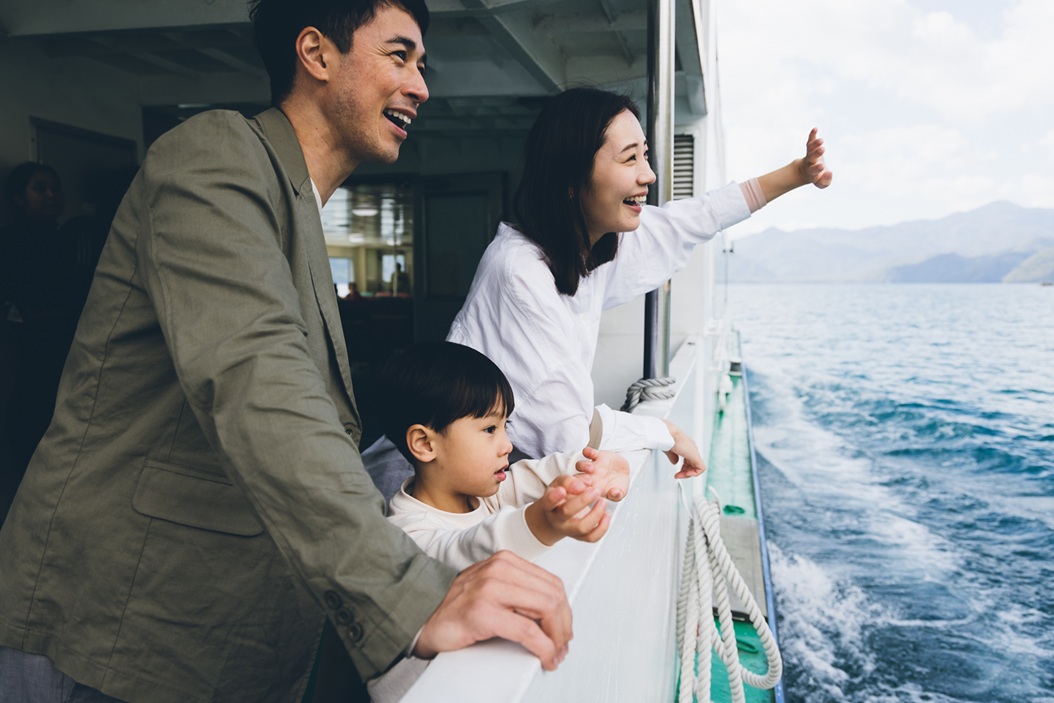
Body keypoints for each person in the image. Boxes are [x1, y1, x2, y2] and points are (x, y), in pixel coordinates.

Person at [0, 2, 573, 702]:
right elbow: (258, 380)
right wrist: (410, 594)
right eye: (399, 56)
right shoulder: (212, 156)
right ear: (315, 53)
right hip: (114, 624)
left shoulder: (295, 205)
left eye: (423, 65)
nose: (422, 85)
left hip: (204, 628)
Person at [446, 86, 833, 462]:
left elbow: (693, 220)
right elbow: (567, 433)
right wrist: (664, 432)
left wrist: (796, 173)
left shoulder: (587, 246)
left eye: (645, 156)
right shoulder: (520, 274)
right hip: (432, 497)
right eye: (630, 159)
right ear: (571, 176)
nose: (648, 175)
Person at [368, 341, 630, 701]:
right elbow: (465, 549)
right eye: (490, 429)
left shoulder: (481, 493)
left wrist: (595, 468)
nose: (506, 444)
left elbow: (536, 474)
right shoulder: (405, 534)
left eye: (505, 425)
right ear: (425, 444)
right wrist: (540, 523)